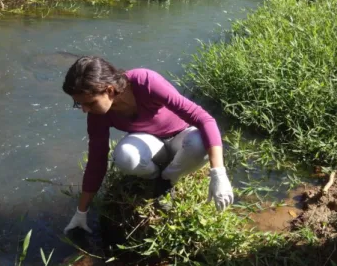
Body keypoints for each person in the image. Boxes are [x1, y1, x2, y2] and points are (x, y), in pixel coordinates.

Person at [61, 56, 234, 234]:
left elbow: (204, 119)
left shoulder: (145, 82)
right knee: (126, 156)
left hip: (182, 137)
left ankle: (168, 178)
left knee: (199, 143)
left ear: (110, 90)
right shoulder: (97, 115)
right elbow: (96, 162)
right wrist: (81, 212)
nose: (85, 110)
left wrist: (218, 173)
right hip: (151, 144)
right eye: (79, 104)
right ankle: (156, 178)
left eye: (89, 103)